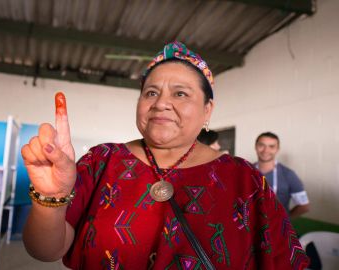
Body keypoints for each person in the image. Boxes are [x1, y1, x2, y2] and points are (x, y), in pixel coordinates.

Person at [21, 41, 309, 269]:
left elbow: (285, 261)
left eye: (180, 94)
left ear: (207, 110)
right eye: (150, 93)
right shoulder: (102, 161)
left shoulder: (244, 180)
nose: (161, 104)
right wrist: (51, 199)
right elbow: (45, 251)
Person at [254, 132, 310, 219]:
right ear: (256, 147)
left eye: (271, 146)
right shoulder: (246, 171)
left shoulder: (288, 175)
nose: (266, 150)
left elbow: (304, 206)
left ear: (277, 149)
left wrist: (285, 219)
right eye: (261, 145)